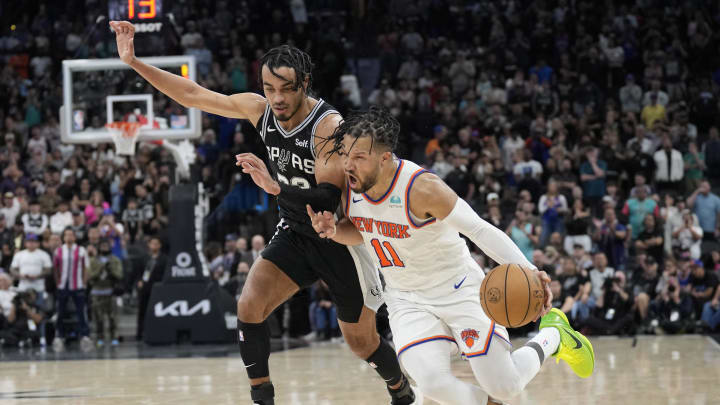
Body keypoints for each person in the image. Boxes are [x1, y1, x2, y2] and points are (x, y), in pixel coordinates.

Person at [109, 22, 413, 405]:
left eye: (286, 89)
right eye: (270, 89)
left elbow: (324, 197)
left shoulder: (327, 127)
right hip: (295, 231)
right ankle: (262, 398)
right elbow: (191, 94)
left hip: (337, 236)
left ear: (304, 83)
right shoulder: (260, 109)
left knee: (361, 342)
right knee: (249, 306)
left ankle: (400, 388)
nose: (278, 98)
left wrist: (274, 187)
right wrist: (134, 61)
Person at [307, 108, 594, 404]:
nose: (348, 165)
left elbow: (480, 231)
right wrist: (334, 231)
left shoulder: (422, 188)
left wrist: (530, 270)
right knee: (431, 383)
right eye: (345, 155)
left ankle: (553, 337)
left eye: (359, 158)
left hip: (458, 289)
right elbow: (363, 229)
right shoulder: (349, 185)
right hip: (407, 298)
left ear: (384, 158)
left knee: (505, 388)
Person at [52, 228, 92, 351]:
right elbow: (55, 269)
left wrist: (84, 282)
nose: (69, 237)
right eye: (66, 235)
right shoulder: (58, 251)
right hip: (63, 285)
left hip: (78, 285)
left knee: (81, 311)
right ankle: (60, 335)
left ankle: (84, 335)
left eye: (71, 235)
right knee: (60, 311)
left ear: (75, 237)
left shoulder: (81, 250)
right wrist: (58, 282)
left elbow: (86, 267)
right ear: (63, 238)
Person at [9, 233, 52, 346]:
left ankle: (42, 337)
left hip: (38, 288)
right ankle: (23, 338)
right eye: (29, 241)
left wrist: (37, 276)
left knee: (39, 314)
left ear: (37, 243)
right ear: (26, 243)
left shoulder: (43, 255)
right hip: (23, 289)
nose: (31, 244)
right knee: (22, 314)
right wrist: (20, 275)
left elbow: (48, 270)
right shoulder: (20, 255)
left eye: (34, 241)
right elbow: (13, 269)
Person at [88, 238, 123, 346]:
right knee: (98, 318)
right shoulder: (93, 260)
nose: (104, 248)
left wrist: (110, 269)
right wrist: (100, 269)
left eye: (106, 246)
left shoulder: (115, 260)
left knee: (113, 317)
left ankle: (114, 337)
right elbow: (90, 276)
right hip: (97, 292)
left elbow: (119, 275)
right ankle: (100, 337)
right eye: (102, 246)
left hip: (110, 291)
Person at [134, 236, 167, 341]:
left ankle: (159, 331)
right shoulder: (143, 258)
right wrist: (139, 281)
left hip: (157, 288)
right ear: (148, 245)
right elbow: (137, 272)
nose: (154, 246)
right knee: (142, 311)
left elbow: (166, 274)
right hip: (145, 288)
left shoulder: (164, 259)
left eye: (156, 243)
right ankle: (140, 333)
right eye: (152, 243)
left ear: (160, 245)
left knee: (158, 310)